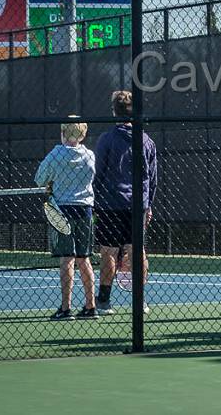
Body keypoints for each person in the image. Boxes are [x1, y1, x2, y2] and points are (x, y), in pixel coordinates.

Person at [93, 90, 157, 315]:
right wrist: (148, 205)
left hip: (110, 206)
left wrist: (95, 202)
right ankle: (140, 301)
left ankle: (103, 301)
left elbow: (98, 174)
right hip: (136, 206)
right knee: (137, 252)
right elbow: (152, 177)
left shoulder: (106, 139)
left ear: (114, 111)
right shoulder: (147, 141)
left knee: (109, 251)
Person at [36, 117, 98, 320]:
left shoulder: (56, 154)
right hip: (85, 210)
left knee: (67, 259)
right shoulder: (89, 155)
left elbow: (40, 179)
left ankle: (66, 308)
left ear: (63, 132)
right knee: (84, 258)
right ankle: (91, 306)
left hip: (63, 210)